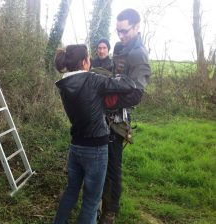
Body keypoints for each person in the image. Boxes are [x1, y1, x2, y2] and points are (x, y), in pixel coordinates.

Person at [53, 44, 136, 224]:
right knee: (91, 201)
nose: (90, 61)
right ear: (84, 62)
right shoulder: (93, 80)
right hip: (96, 148)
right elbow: (129, 85)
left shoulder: (63, 83)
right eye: (89, 58)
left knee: (71, 191)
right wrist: (120, 74)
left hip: (75, 147)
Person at [99, 8, 151, 224]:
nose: (120, 36)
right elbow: (116, 77)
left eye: (125, 31)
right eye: (118, 31)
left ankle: (110, 211)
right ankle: (99, 201)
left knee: (112, 166)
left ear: (137, 27)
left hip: (118, 119)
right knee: (101, 161)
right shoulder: (120, 46)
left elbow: (137, 94)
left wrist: (110, 101)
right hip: (104, 115)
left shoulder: (139, 53)